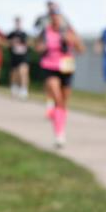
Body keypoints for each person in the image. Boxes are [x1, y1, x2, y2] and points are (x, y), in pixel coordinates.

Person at [35, 8, 84, 147]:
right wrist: (42, 47)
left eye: (58, 16)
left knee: (63, 103)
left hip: (66, 68)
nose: (56, 19)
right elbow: (37, 47)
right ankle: (59, 134)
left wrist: (72, 40)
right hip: (50, 67)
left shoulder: (69, 31)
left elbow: (81, 49)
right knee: (57, 98)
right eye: (53, 17)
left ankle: (59, 126)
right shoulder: (45, 31)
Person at [7, 17, 31, 99]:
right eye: (16, 22)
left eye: (19, 22)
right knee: (14, 74)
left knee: (23, 72)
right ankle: (14, 87)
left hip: (23, 56)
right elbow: (6, 43)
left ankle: (24, 89)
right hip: (14, 57)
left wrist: (25, 44)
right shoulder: (11, 34)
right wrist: (12, 42)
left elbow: (29, 44)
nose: (18, 24)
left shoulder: (25, 34)